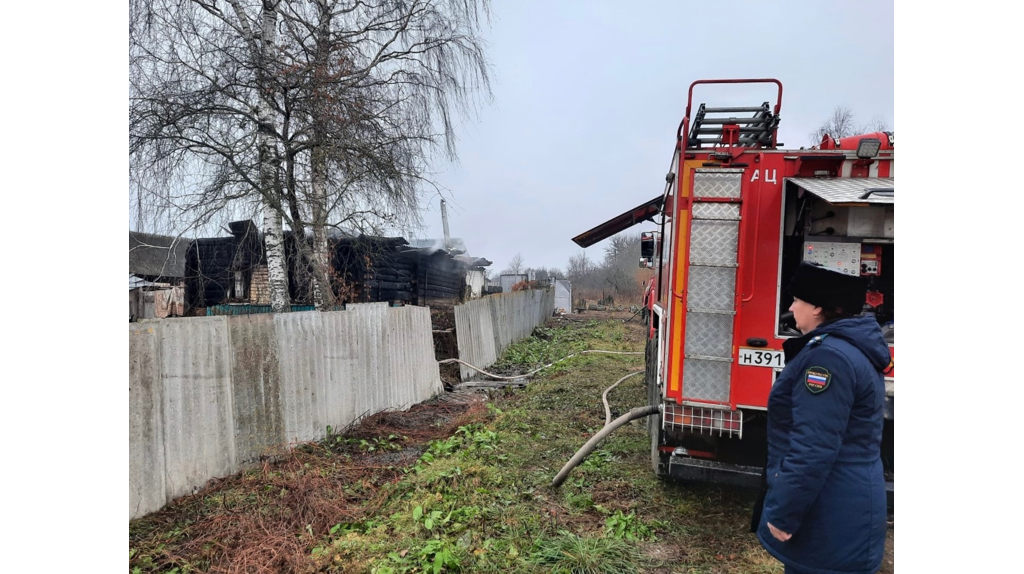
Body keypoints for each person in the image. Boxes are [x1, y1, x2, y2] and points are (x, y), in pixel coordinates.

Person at [752, 261, 890, 574]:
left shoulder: (828, 359)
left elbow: (813, 447)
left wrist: (784, 514)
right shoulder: (849, 348)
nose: (791, 307)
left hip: (832, 517)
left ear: (817, 307)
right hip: (841, 510)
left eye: (796, 300)